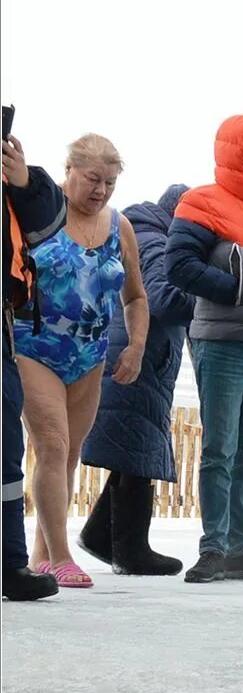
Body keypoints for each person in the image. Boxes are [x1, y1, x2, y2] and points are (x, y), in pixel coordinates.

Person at [10, 134, 148, 591]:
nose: (101, 190)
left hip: (89, 354)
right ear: (68, 171)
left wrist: (136, 345)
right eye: (92, 179)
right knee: (51, 444)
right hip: (33, 345)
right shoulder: (42, 213)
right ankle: (62, 556)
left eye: (110, 182)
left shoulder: (120, 226)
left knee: (68, 454)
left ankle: (42, 554)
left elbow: (135, 297)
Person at [166, 115, 243, 584]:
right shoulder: (202, 202)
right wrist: (236, 290)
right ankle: (213, 547)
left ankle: (240, 547)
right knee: (220, 449)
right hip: (222, 345)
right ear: (235, 150)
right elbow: (179, 265)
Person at [77, 183, 194, 576]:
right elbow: (163, 298)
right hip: (138, 356)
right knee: (138, 448)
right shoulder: (158, 243)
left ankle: (100, 536)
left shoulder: (144, 234)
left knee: (131, 447)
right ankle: (131, 550)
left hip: (137, 354)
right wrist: (209, 300)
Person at [2, 115, 67, 601]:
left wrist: (23, 180)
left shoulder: (15, 174)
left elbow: (48, 223)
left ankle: (8, 563)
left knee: (5, 451)